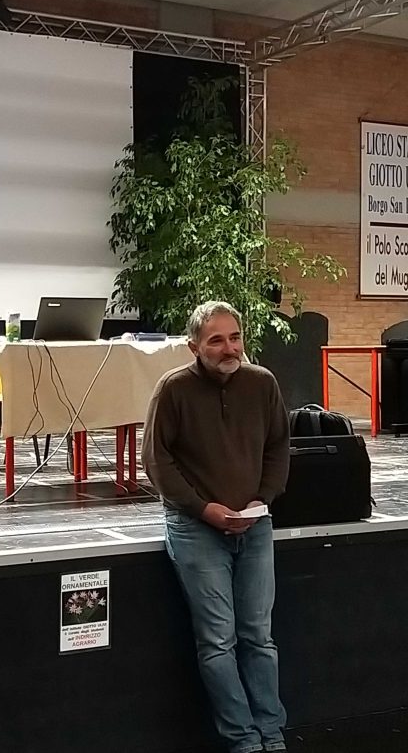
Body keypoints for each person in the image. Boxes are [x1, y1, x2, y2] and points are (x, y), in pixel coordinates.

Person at [142, 301, 290, 753]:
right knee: (218, 641)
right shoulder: (173, 389)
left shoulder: (262, 383)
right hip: (196, 529)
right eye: (216, 340)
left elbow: (278, 446)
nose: (230, 348)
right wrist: (203, 509)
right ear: (194, 347)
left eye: (235, 337)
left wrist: (262, 499)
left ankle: (272, 734)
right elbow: (157, 461)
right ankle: (243, 739)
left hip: (255, 525)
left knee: (259, 637)